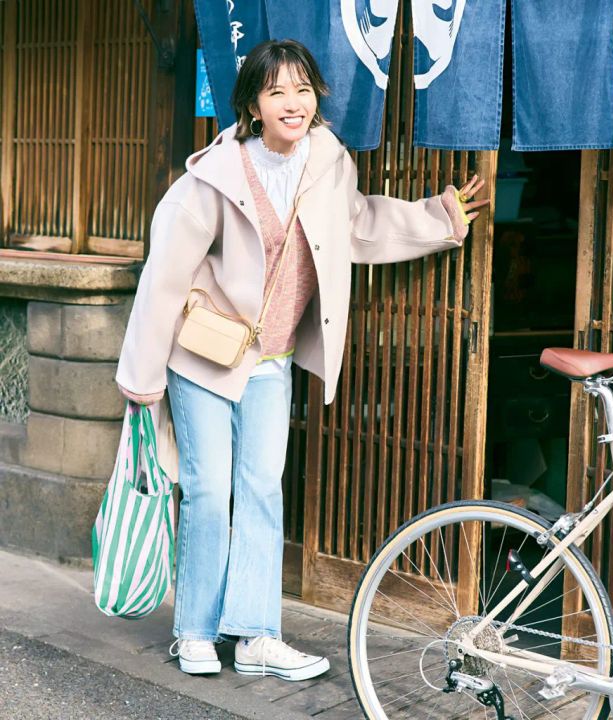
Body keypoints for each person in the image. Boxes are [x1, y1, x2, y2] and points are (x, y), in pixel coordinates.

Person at [115, 38, 488, 682]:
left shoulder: (328, 161)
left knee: (262, 490)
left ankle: (256, 635)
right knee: (209, 490)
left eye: (303, 89)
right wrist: (142, 379)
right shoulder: (214, 176)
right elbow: (163, 278)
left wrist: (441, 217)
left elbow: (360, 225)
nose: (293, 103)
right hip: (203, 355)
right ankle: (195, 631)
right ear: (252, 106)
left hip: (271, 357)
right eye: (276, 92)